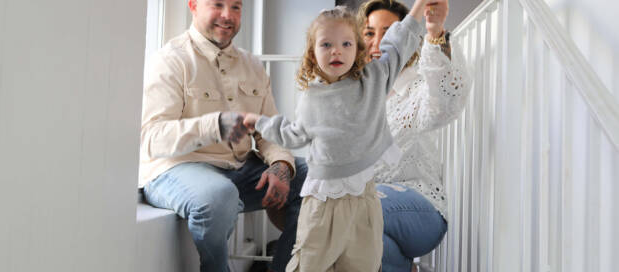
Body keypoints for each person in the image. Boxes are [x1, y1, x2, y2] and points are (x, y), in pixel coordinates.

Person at [242, 2, 432, 271]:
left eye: (346, 44)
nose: (336, 51)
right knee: (309, 262)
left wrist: (419, 8)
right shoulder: (311, 97)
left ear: (358, 49)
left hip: (363, 196)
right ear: (312, 53)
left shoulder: (373, 79)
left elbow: (398, 44)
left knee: (363, 262)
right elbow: (294, 135)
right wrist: (261, 123)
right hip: (323, 201)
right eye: (326, 44)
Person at [138, 0, 308, 271]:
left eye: (236, 7)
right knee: (220, 195)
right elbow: (151, 137)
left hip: (238, 171)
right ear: (193, 5)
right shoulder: (170, 60)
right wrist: (214, 126)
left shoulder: (252, 65)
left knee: (309, 176)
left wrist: (280, 165)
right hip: (176, 170)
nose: (227, 16)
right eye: (217, 4)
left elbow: (268, 131)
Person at [357, 0, 471, 271]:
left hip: (421, 206)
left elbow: (445, 104)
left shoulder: (419, 84)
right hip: (368, 207)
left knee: (359, 211)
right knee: (368, 240)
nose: (378, 42)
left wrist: (435, 32)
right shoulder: (354, 92)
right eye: (370, 33)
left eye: (388, 32)